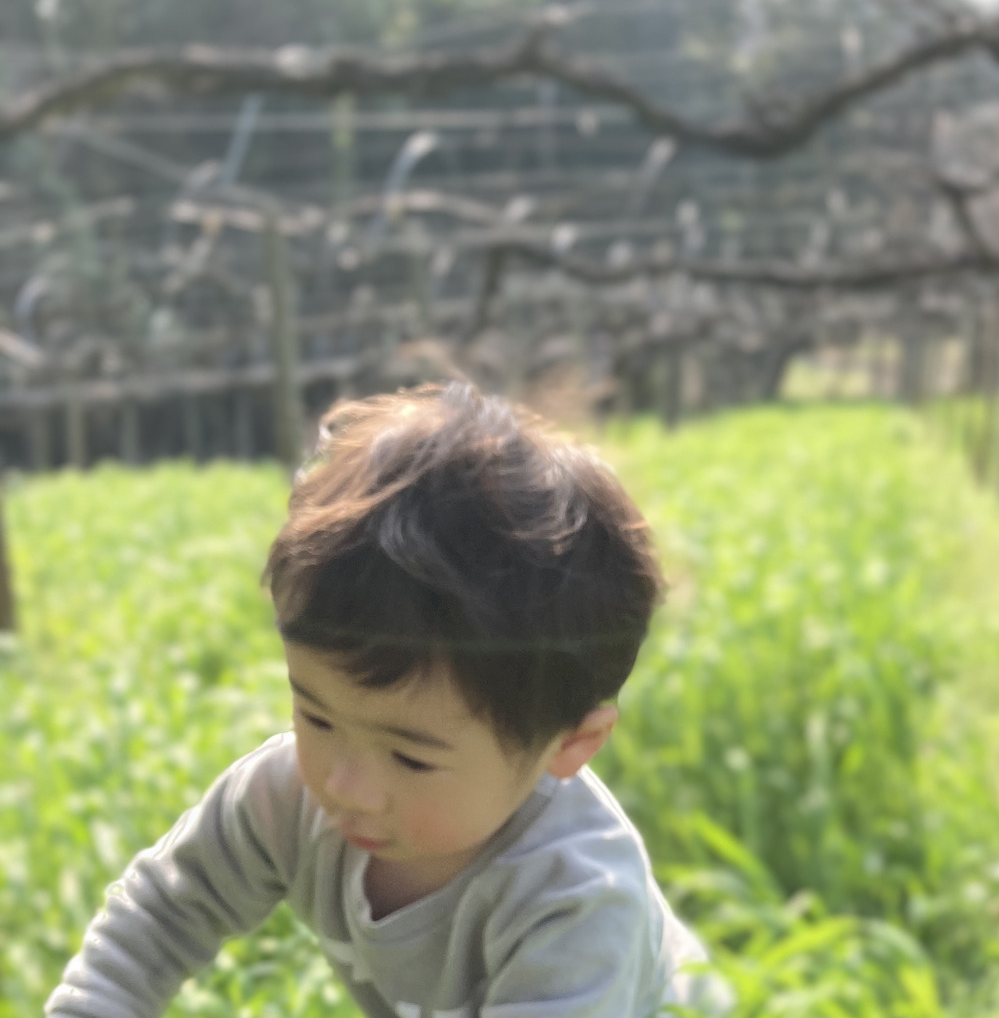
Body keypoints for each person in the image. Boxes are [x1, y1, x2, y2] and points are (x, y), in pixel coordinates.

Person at [45, 382, 726, 1018]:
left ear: (571, 744)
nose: (344, 786)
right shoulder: (282, 798)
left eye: (411, 758)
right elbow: (161, 915)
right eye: (317, 717)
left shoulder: (576, 901)